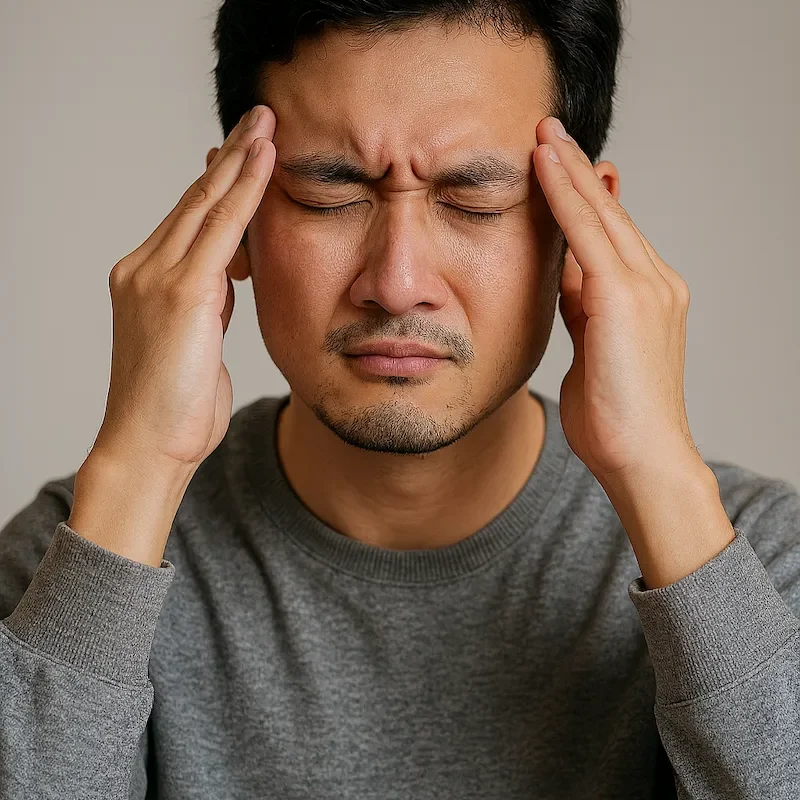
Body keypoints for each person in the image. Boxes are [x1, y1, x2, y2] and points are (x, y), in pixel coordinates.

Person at [1, 0, 798, 797]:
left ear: (588, 224)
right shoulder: (66, 573)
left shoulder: (752, 569)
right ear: (230, 216)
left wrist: (658, 474)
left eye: (473, 198)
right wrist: (138, 468)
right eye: (330, 193)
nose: (397, 283)